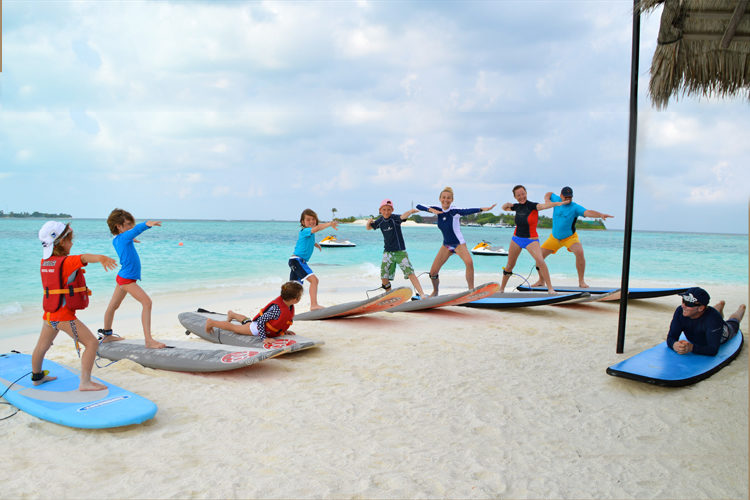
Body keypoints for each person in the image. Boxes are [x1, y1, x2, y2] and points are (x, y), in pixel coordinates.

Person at [33, 221, 119, 391]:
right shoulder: (66, 262)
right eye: (70, 240)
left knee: (41, 346)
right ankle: (85, 382)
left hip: (49, 316)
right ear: (62, 242)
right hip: (64, 317)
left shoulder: (45, 262)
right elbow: (84, 257)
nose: (72, 243)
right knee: (92, 343)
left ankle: (37, 376)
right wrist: (101, 258)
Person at [101, 209, 165, 349]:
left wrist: (131, 238)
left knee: (113, 306)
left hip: (123, 277)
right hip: (127, 279)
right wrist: (146, 224)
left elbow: (127, 237)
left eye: (132, 224)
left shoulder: (118, 239)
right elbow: (133, 232)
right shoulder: (124, 238)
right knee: (147, 303)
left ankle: (107, 335)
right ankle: (148, 340)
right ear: (119, 226)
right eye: (128, 224)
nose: (131, 227)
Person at [416, 187, 496, 296]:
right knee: (433, 273)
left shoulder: (454, 211)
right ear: (440, 198)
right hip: (446, 245)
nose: (446, 200)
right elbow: (419, 206)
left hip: (458, 244)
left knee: (469, 262)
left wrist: (482, 209)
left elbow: (468, 210)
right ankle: (435, 291)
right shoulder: (437, 209)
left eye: (448, 198)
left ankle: (471, 290)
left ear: (452, 200)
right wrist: (431, 210)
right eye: (443, 197)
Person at [530, 186, 613, 288]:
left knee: (579, 252)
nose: (568, 199)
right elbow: (549, 193)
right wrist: (547, 201)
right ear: (561, 196)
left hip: (570, 238)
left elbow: (588, 212)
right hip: (554, 238)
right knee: (539, 257)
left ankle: (581, 281)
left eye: (570, 197)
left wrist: (600, 215)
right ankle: (541, 281)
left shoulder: (575, 207)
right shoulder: (556, 200)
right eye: (565, 197)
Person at [499, 184, 570, 293]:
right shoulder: (516, 206)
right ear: (515, 197)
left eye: (523, 194)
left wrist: (559, 203)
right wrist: (506, 204)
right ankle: (501, 289)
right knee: (509, 266)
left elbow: (545, 206)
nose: (521, 196)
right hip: (516, 239)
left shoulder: (532, 206)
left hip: (531, 240)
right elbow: (504, 208)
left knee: (540, 261)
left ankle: (550, 288)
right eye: (518, 195)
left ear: (526, 193)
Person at [205, 281, 304, 345]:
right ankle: (211, 323)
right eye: (300, 295)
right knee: (234, 328)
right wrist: (264, 338)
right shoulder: (277, 310)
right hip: (256, 328)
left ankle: (232, 314)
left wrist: (282, 330)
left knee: (247, 322)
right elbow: (261, 321)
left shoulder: (288, 305)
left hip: (259, 325)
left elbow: (278, 322)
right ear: (295, 299)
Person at [366, 199, 426, 299]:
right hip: (387, 253)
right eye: (384, 209)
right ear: (380, 210)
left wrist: (410, 212)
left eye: (389, 209)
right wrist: (368, 222)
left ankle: (422, 294)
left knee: (410, 273)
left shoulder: (395, 219)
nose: (386, 212)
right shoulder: (380, 221)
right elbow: (369, 228)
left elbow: (403, 216)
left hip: (400, 252)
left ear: (392, 210)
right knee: (384, 277)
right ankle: (390, 295)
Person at [667, 287, 745, 356]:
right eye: (683, 300)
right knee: (712, 314)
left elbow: (713, 350)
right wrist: (674, 344)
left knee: (733, 322)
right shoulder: (680, 311)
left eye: (688, 304)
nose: (683, 305)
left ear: (701, 308)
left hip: (723, 331)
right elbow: (671, 337)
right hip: (707, 319)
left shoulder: (713, 319)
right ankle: (720, 306)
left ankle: (742, 308)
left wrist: (692, 348)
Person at [289, 208, 338, 310]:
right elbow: (317, 228)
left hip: (295, 261)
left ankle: (285, 307)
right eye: (308, 220)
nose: (311, 221)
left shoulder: (308, 233)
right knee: (314, 281)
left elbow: (305, 242)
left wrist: (315, 244)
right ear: (303, 222)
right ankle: (314, 305)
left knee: (293, 289)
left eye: (313, 219)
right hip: (298, 261)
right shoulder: (305, 230)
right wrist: (329, 224)